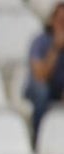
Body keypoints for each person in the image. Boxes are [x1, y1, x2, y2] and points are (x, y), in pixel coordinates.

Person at [25, 2, 64, 146]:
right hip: (39, 89)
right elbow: (40, 76)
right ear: (52, 21)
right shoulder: (40, 42)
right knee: (42, 91)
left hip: (59, 90)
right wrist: (55, 49)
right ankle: (38, 138)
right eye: (60, 21)